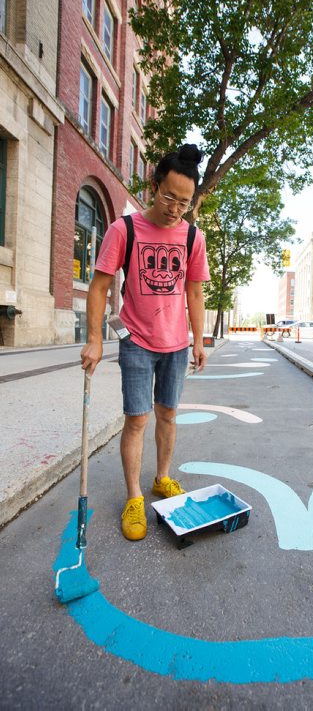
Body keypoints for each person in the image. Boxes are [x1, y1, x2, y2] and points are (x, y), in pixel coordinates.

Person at [80, 144, 210, 541]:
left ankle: (162, 478)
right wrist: (94, 340)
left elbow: (194, 294)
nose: (175, 208)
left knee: (168, 416)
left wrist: (198, 340)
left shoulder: (192, 237)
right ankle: (134, 497)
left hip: (175, 345)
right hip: (137, 340)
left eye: (184, 202)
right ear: (155, 186)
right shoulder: (126, 229)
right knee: (137, 420)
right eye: (169, 196)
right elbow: (100, 286)